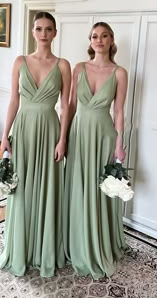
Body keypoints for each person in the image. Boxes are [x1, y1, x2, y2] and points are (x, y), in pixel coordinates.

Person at [0, 11, 71, 277]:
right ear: (32, 31)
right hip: (25, 129)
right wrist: (5, 135)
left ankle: (44, 249)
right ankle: (21, 247)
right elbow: (14, 101)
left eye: (48, 29)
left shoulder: (63, 65)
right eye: (38, 28)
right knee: (22, 187)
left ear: (54, 33)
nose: (43, 34)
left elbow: (65, 106)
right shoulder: (20, 61)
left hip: (50, 129)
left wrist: (63, 139)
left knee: (47, 186)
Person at [63, 22, 128, 279]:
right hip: (78, 134)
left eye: (104, 36)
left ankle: (98, 242)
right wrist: (63, 137)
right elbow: (69, 106)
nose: (99, 40)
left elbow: (120, 112)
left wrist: (119, 144)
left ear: (112, 40)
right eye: (94, 36)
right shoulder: (78, 68)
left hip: (103, 135)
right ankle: (76, 240)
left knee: (98, 189)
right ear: (89, 41)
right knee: (78, 185)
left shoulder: (119, 72)